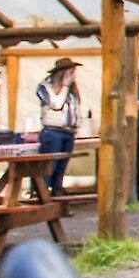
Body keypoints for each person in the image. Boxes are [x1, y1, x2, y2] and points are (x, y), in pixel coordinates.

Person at [33, 59, 83, 195]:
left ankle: (57, 193)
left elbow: (75, 109)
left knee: (61, 168)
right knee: (50, 167)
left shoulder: (72, 91)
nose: (73, 76)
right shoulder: (45, 87)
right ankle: (43, 194)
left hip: (68, 132)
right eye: (70, 73)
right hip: (52, 132)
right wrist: (65, 86)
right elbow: (56, 104)